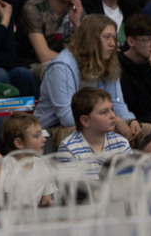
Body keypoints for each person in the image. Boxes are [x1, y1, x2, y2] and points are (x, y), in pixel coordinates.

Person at [34, 14, 142, 145]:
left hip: (96, 122)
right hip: (55, 128)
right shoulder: (62, 67)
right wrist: (114, 120)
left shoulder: (108, 62)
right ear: (91, 40)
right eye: (106, 37)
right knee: (94, 133)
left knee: (144, 131)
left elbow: (117, 102)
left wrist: (129, 120)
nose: (112, 43)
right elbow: (68, 117)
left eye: (114, 38)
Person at [16, 0, 84, 69]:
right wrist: (80, 63)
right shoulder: (33, 9)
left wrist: (77, 24)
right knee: (60, 69)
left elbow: (91, 48)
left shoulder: (76, 8)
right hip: (32, 65)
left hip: (65, 62)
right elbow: (43, 55)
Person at [56, 88, 132, 177]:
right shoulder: (69, 149)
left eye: (112, 109)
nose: (113, 115)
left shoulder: (121, 143)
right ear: (85, 121)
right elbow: (72, 188)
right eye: (104, 112)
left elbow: (130, 179)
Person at [118, 13, 151, 124]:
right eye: (148, 41)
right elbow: (136, 110)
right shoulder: (118, 65)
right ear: (131, 41)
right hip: (131, 122)